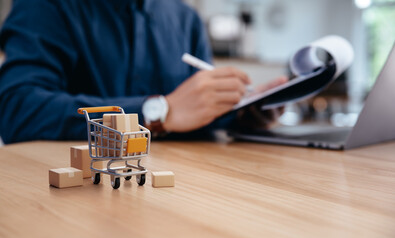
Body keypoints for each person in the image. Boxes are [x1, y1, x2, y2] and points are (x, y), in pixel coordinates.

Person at [0, 0, 286, 144]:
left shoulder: (186, 20)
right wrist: (157, 112)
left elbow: (190, 116)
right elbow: (19, 110)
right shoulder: (48, 6)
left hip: (182, 196)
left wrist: (235, 111)